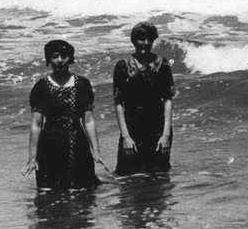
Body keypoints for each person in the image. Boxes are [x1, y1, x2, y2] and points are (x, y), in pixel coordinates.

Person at [24, 40, 106, 189]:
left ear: (71, 58)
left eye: (64, 56)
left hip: (78, 145)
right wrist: (32, 157)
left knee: (84, 193)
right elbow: (36, 125)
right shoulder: (41, 87)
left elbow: (88, 120)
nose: (60, 60)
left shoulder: (82, 84)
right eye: (55, 56)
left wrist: (96, 151)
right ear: (49, 59)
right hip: (50, 147)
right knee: (49, 196)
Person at [113, 21, 176, 174]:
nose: (145, 43)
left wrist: (166, 134)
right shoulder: (122, 66)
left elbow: (168, 99)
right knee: (127, 176)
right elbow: (118, 103)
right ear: (134, 40)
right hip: (132, 127)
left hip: (157, 127)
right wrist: (126, 136)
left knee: (159, 175)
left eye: (149, 39)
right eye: (141, 39)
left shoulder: (162, 64)